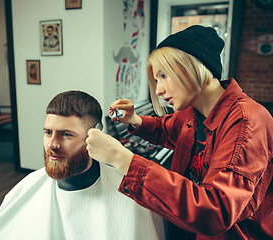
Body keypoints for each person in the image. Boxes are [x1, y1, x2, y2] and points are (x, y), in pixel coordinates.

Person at [86, 25, 273, 239]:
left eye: (163, 75)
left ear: (191, 66)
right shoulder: (194, 113)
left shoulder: (247, 121)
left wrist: (122, 158)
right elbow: (165, 130)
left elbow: (216, 211)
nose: (158, 90)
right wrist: (134, 120)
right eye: (157, 80)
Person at [0, 90, 165, 240]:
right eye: (48, 132)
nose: (52, 144)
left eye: (66, 134)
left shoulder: (128, 197)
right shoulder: (26, 188)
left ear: (94, 137)